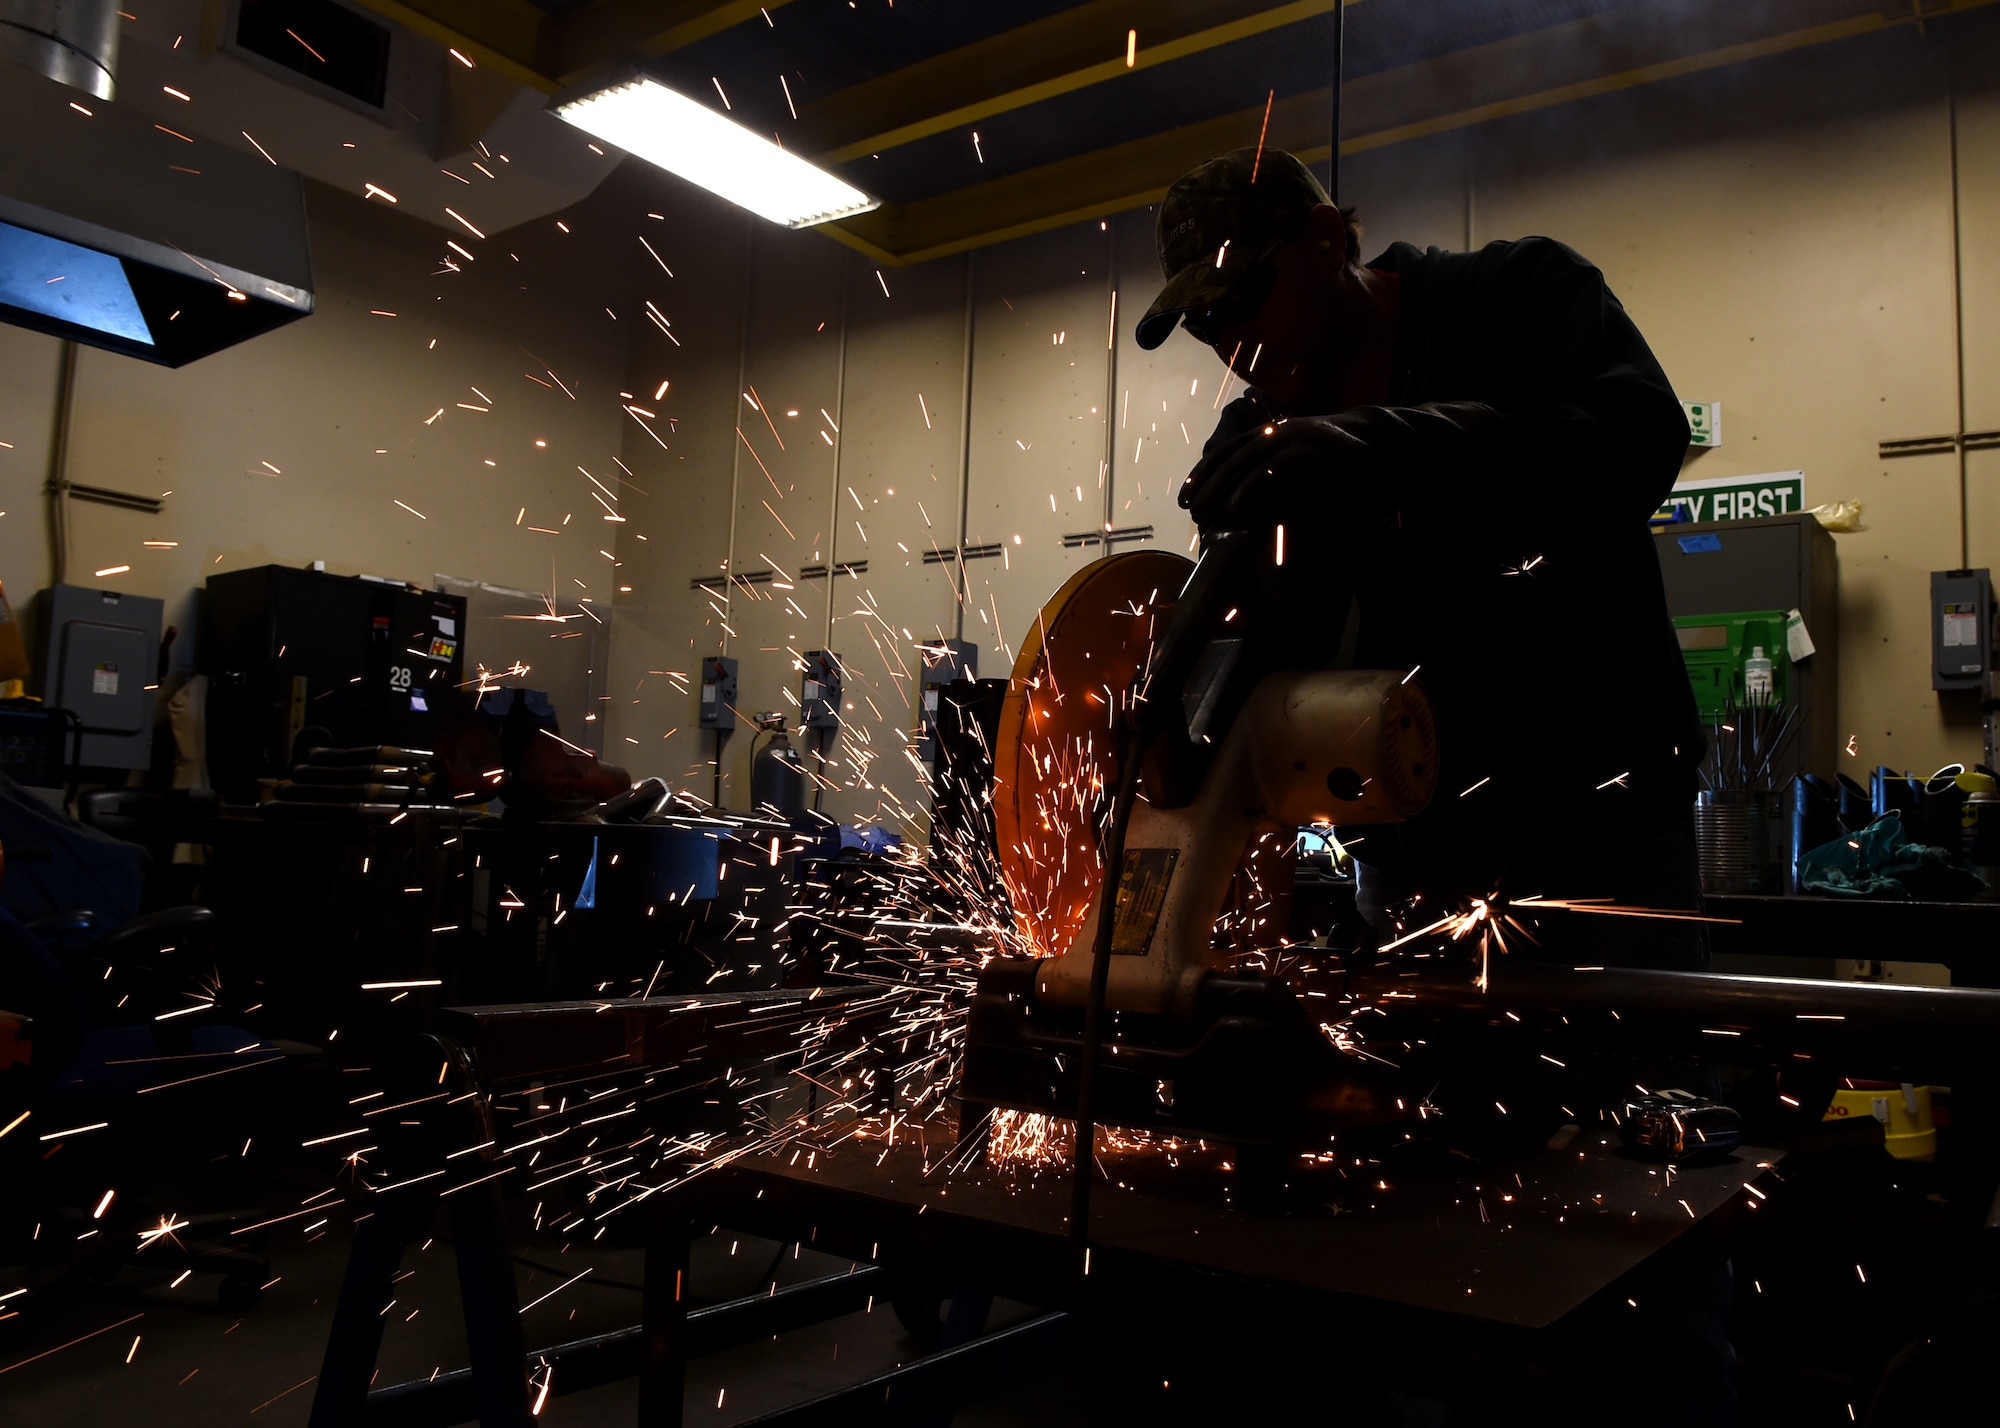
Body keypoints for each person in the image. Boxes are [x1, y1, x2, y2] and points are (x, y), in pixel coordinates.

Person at [1137, 147, 1709, 971]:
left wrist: (1380, 447)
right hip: (1407, 874)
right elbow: (1257, 670)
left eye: (1247, 296)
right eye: (1205, 323)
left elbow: (1636, 438)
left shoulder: (1515, 298)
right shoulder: (1261, 447)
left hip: (1604, 851)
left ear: (1328, 239)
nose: (1237, 346)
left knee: (1637, 1099)